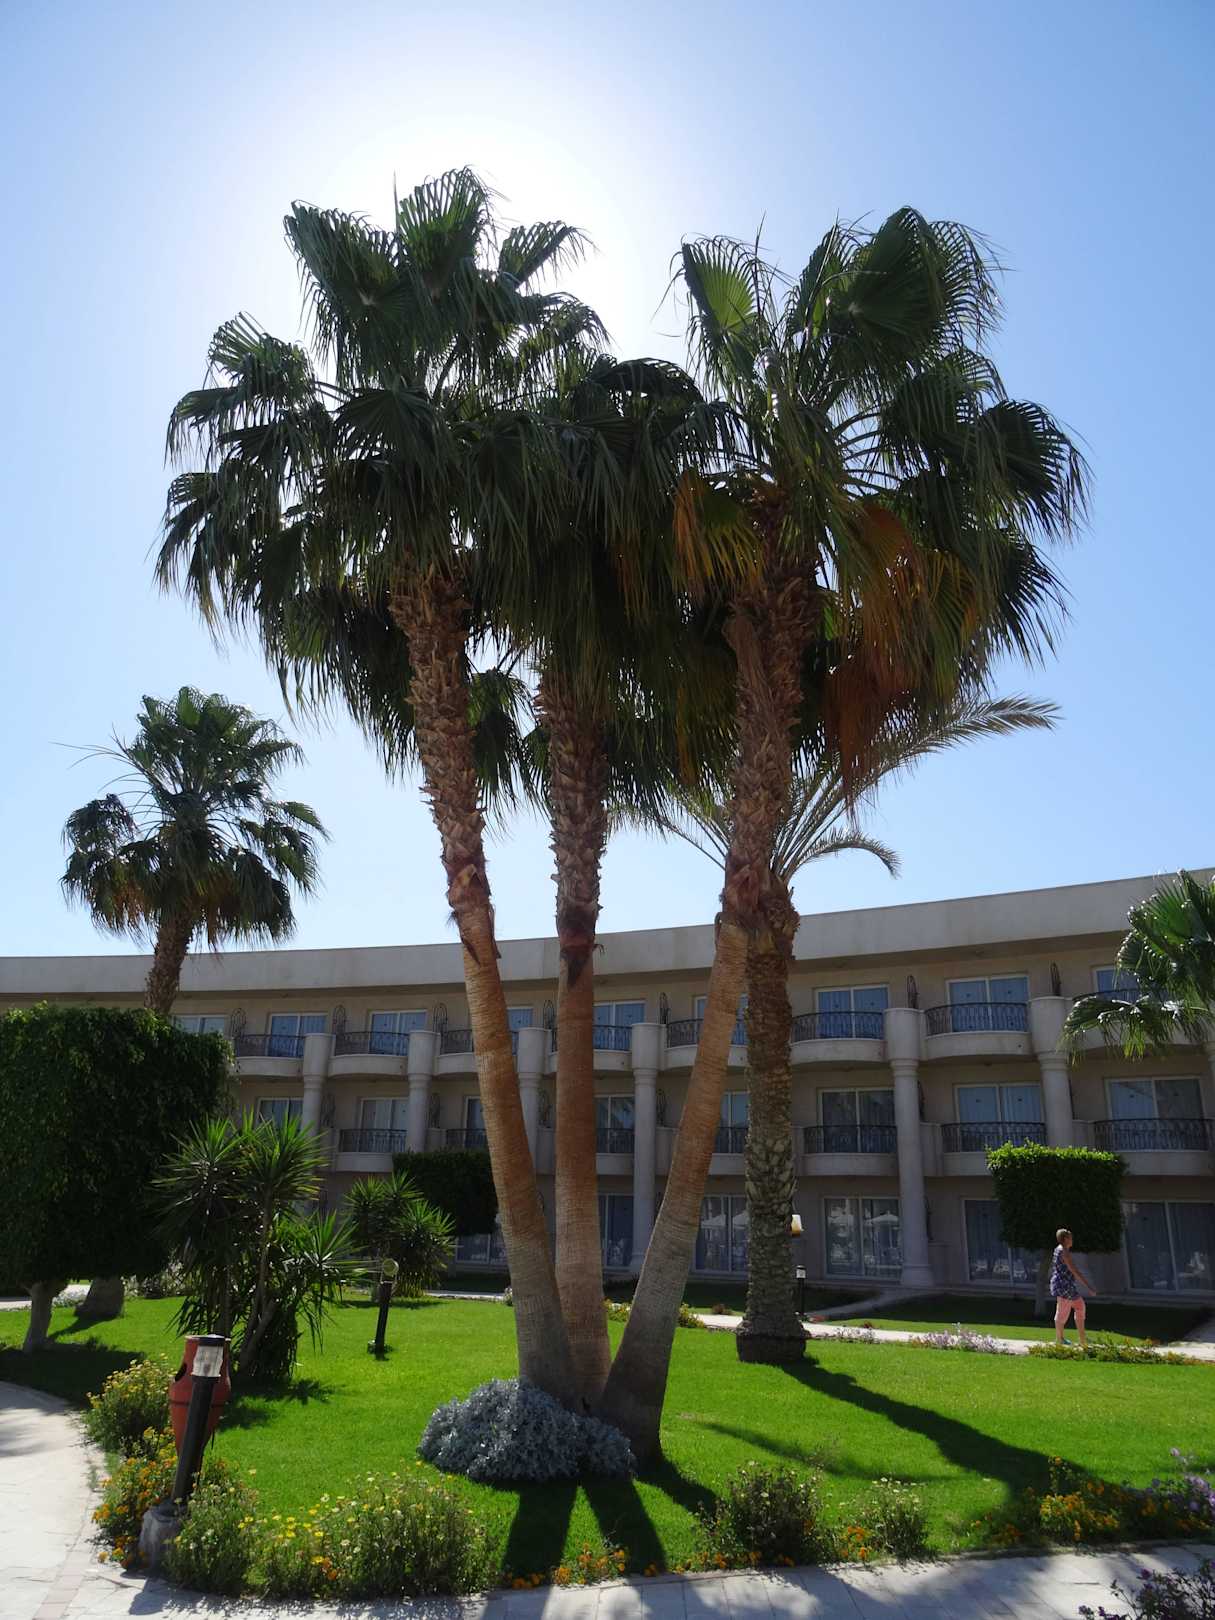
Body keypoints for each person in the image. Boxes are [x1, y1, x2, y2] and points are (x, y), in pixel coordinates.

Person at [1050, 1227, 1095, 1348]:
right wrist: (1089, 1287)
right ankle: (1060, 1339)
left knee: (1080, 1306)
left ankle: (1082, 1339)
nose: (1072, 1240)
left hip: (1067, 1286)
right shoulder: (1064, 1252)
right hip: (1064, 1286)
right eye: (1070, 1237)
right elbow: (1075, 1271)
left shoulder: (1059, 1249)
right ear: (1065, 1239)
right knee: (1062, 1312)